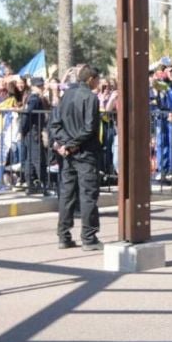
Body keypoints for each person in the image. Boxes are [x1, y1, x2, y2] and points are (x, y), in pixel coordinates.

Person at [52, 65, 103, 251]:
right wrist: (72, 145)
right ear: (91, 79)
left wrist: (65, 144)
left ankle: (63, 236)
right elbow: (90, 128)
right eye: (97, 80)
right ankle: (89, 238)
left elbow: (55, 124)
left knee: (67, 195)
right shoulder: (90, 97)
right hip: (85, 153)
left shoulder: (66, 96)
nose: (99, 83)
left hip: (69, 154)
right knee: (88, 195)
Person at [20, 76, 49, 196]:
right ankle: (42, 185)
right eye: (38, 86)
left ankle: (31, 184)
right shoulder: (34, 99)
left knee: (31, 160)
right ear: (33, 86)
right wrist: (23, 130)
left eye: (41, 85)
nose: (41, 88)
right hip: (34, 132)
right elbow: (27, 115)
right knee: (37, 159)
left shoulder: (34, 98)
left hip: (32, 132)